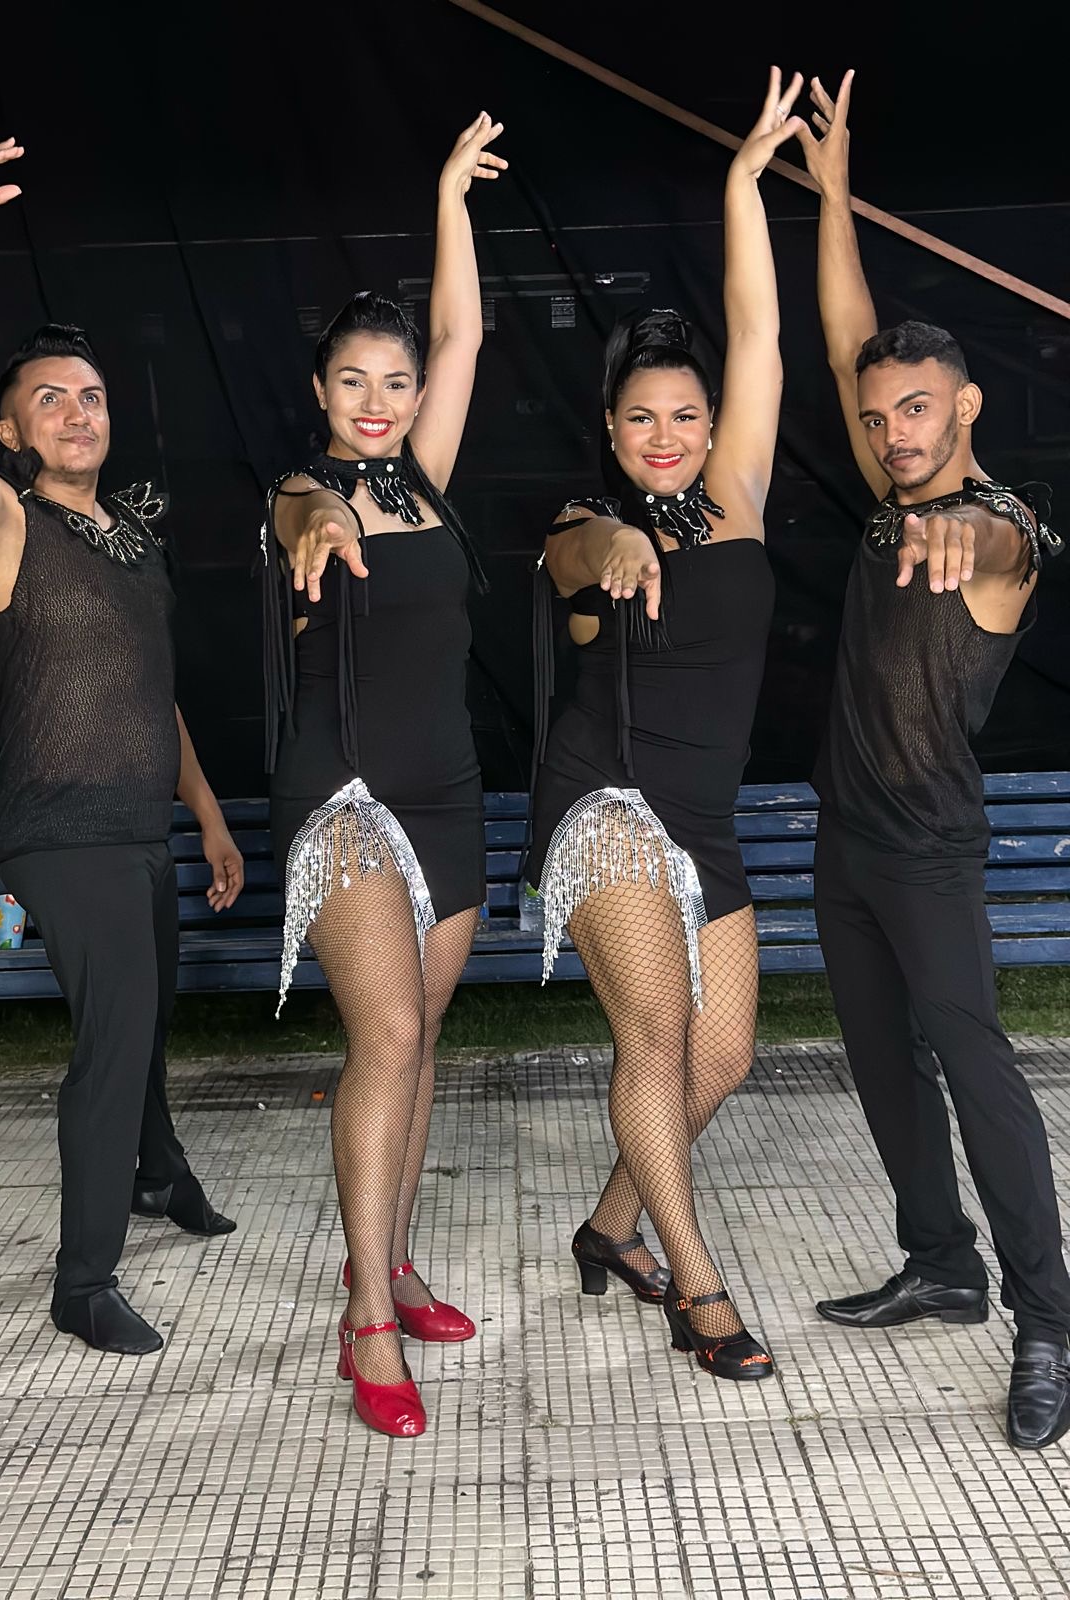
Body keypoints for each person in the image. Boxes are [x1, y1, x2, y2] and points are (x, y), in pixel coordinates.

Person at [0, 140, 246, 1357]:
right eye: (50, 398)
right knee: (114, 1041)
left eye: (89, 395)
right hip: (60, 828)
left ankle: (159, 1171)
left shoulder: (132, 541)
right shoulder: (0, 523)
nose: (77, 411)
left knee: (147, 1018)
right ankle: (83, 1282)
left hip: (139, 824)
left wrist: (208, 814)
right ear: (8, 429)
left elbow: (153, 695)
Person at [796, 72, 1070, 1451]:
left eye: (917, 410)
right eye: (878, 417)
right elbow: (849, 334)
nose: (895, 431)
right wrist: (834, 192)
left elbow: (1013, 542)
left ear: (965, 406)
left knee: (974, 1063)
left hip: (928, 845)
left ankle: (1050, 1322)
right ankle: (940, 1261)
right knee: (882, 1062)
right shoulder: (884, 496)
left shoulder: (998, 531)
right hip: (844, 840)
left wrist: (980, 529)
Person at [527, 70, 804, 1383]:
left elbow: (760, 331)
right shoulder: (583, 523)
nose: (668, 433)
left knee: (725, 1056)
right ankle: (698, 1289)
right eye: (642, 417)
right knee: (655, 1036)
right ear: (612, 427)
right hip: (608, 800)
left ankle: (609, 1227)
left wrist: (744, 184)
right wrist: (619, 543)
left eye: (685, 415)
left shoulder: (739, 490)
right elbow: (578, 556)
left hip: (705, 811)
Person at [263, 113, 505, 1437]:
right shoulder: (296, 493)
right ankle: (365, 1312)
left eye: (394, 382)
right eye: (353, 379)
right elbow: (304, 518)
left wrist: (448, 197)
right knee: (391, 1035)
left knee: (425, 1042)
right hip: (344, 789)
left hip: (448, 788)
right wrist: (321, 521)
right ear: (321, 389)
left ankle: (398, 1262)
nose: (377, 399)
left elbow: (463, 335)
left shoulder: (430, 483)